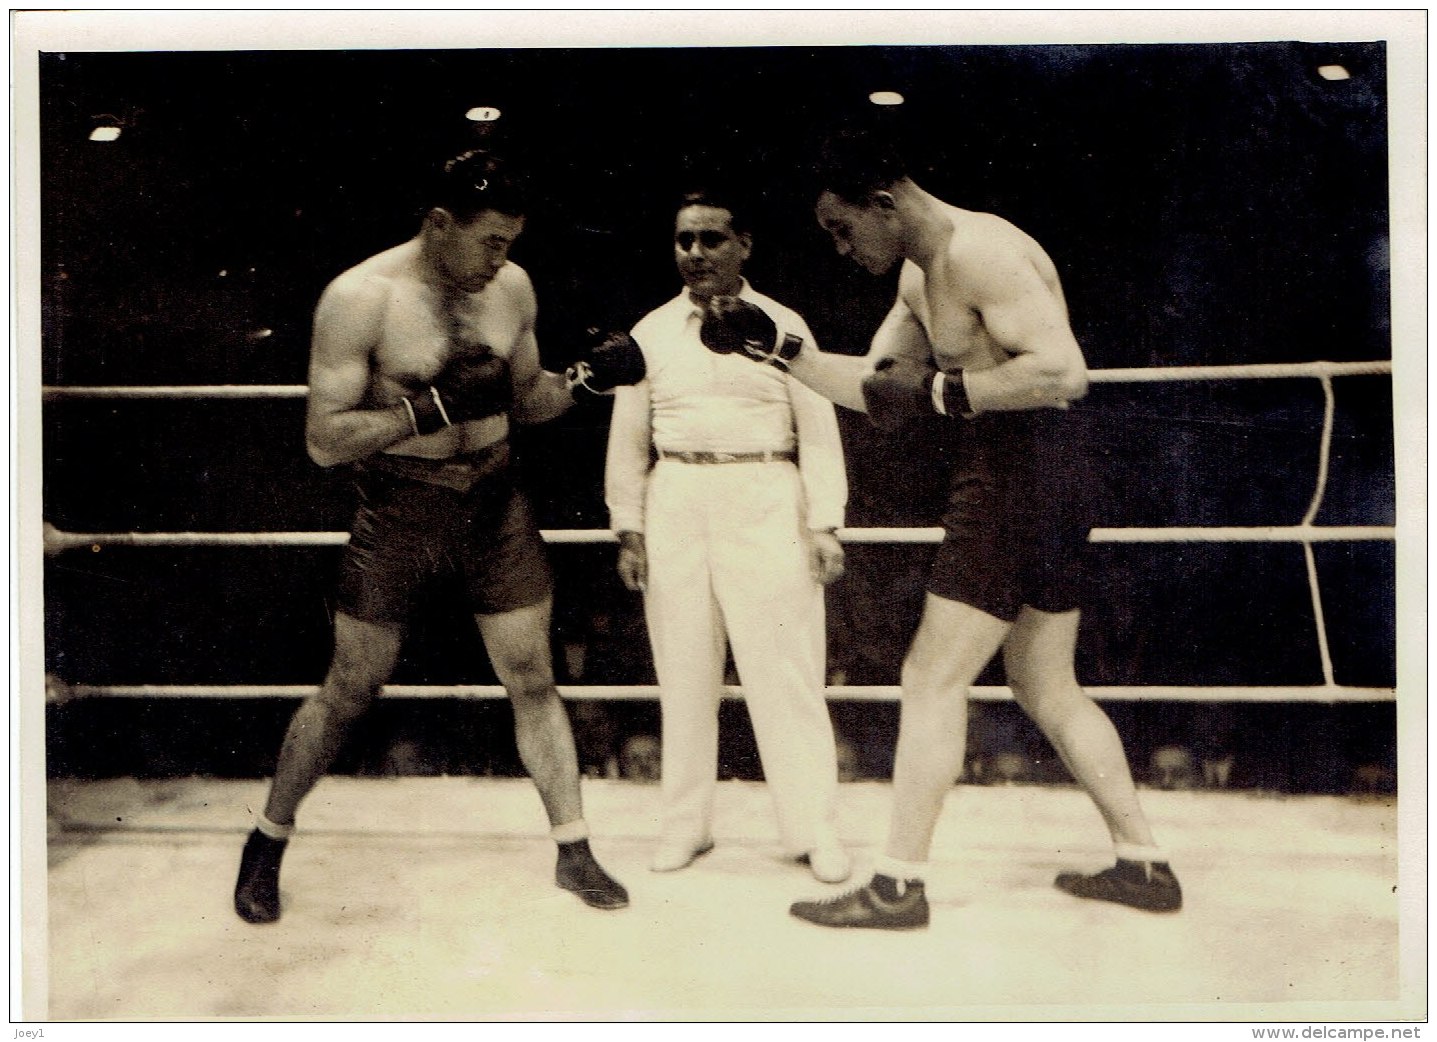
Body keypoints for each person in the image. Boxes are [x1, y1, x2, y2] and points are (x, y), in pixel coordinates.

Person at [699, 128, 1181, 928]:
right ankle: (1144, 863)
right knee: (1044, 682)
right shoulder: (922, 281)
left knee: (930, 676)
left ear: (884, 204)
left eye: (841, 228)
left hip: (1023, 468)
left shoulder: (979, 252)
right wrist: (777, 349)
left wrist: (940, 396)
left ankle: (896, 885)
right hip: (1038, 470)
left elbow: (1063, 372)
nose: (838, 247)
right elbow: (879, 389)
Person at [233, 149, 646, 924]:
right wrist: (428, 412)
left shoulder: (511, 287)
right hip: (400, 506)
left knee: (531, 675)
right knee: (351, 686)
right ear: (437, 224)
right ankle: (267, 839)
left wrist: (587, 377)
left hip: (494, 498)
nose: (502, 260)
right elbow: (324, 440)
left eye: (510, 243)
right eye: (489, 241)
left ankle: (574, 847)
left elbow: (524, 402)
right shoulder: (361, 299)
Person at [604, 189, 852, 883]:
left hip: (767, 496)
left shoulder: (781, 323)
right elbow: (628, 441)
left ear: (744, 244)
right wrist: (629, 531)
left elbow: (820, 431)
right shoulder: (649, 332)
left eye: (711, 239)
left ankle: (814, 831)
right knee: (682, 673)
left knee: (787, 674)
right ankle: (685, 827)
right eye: (684, 240)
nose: (695, 253)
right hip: (676, 498)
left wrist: (824, 523)